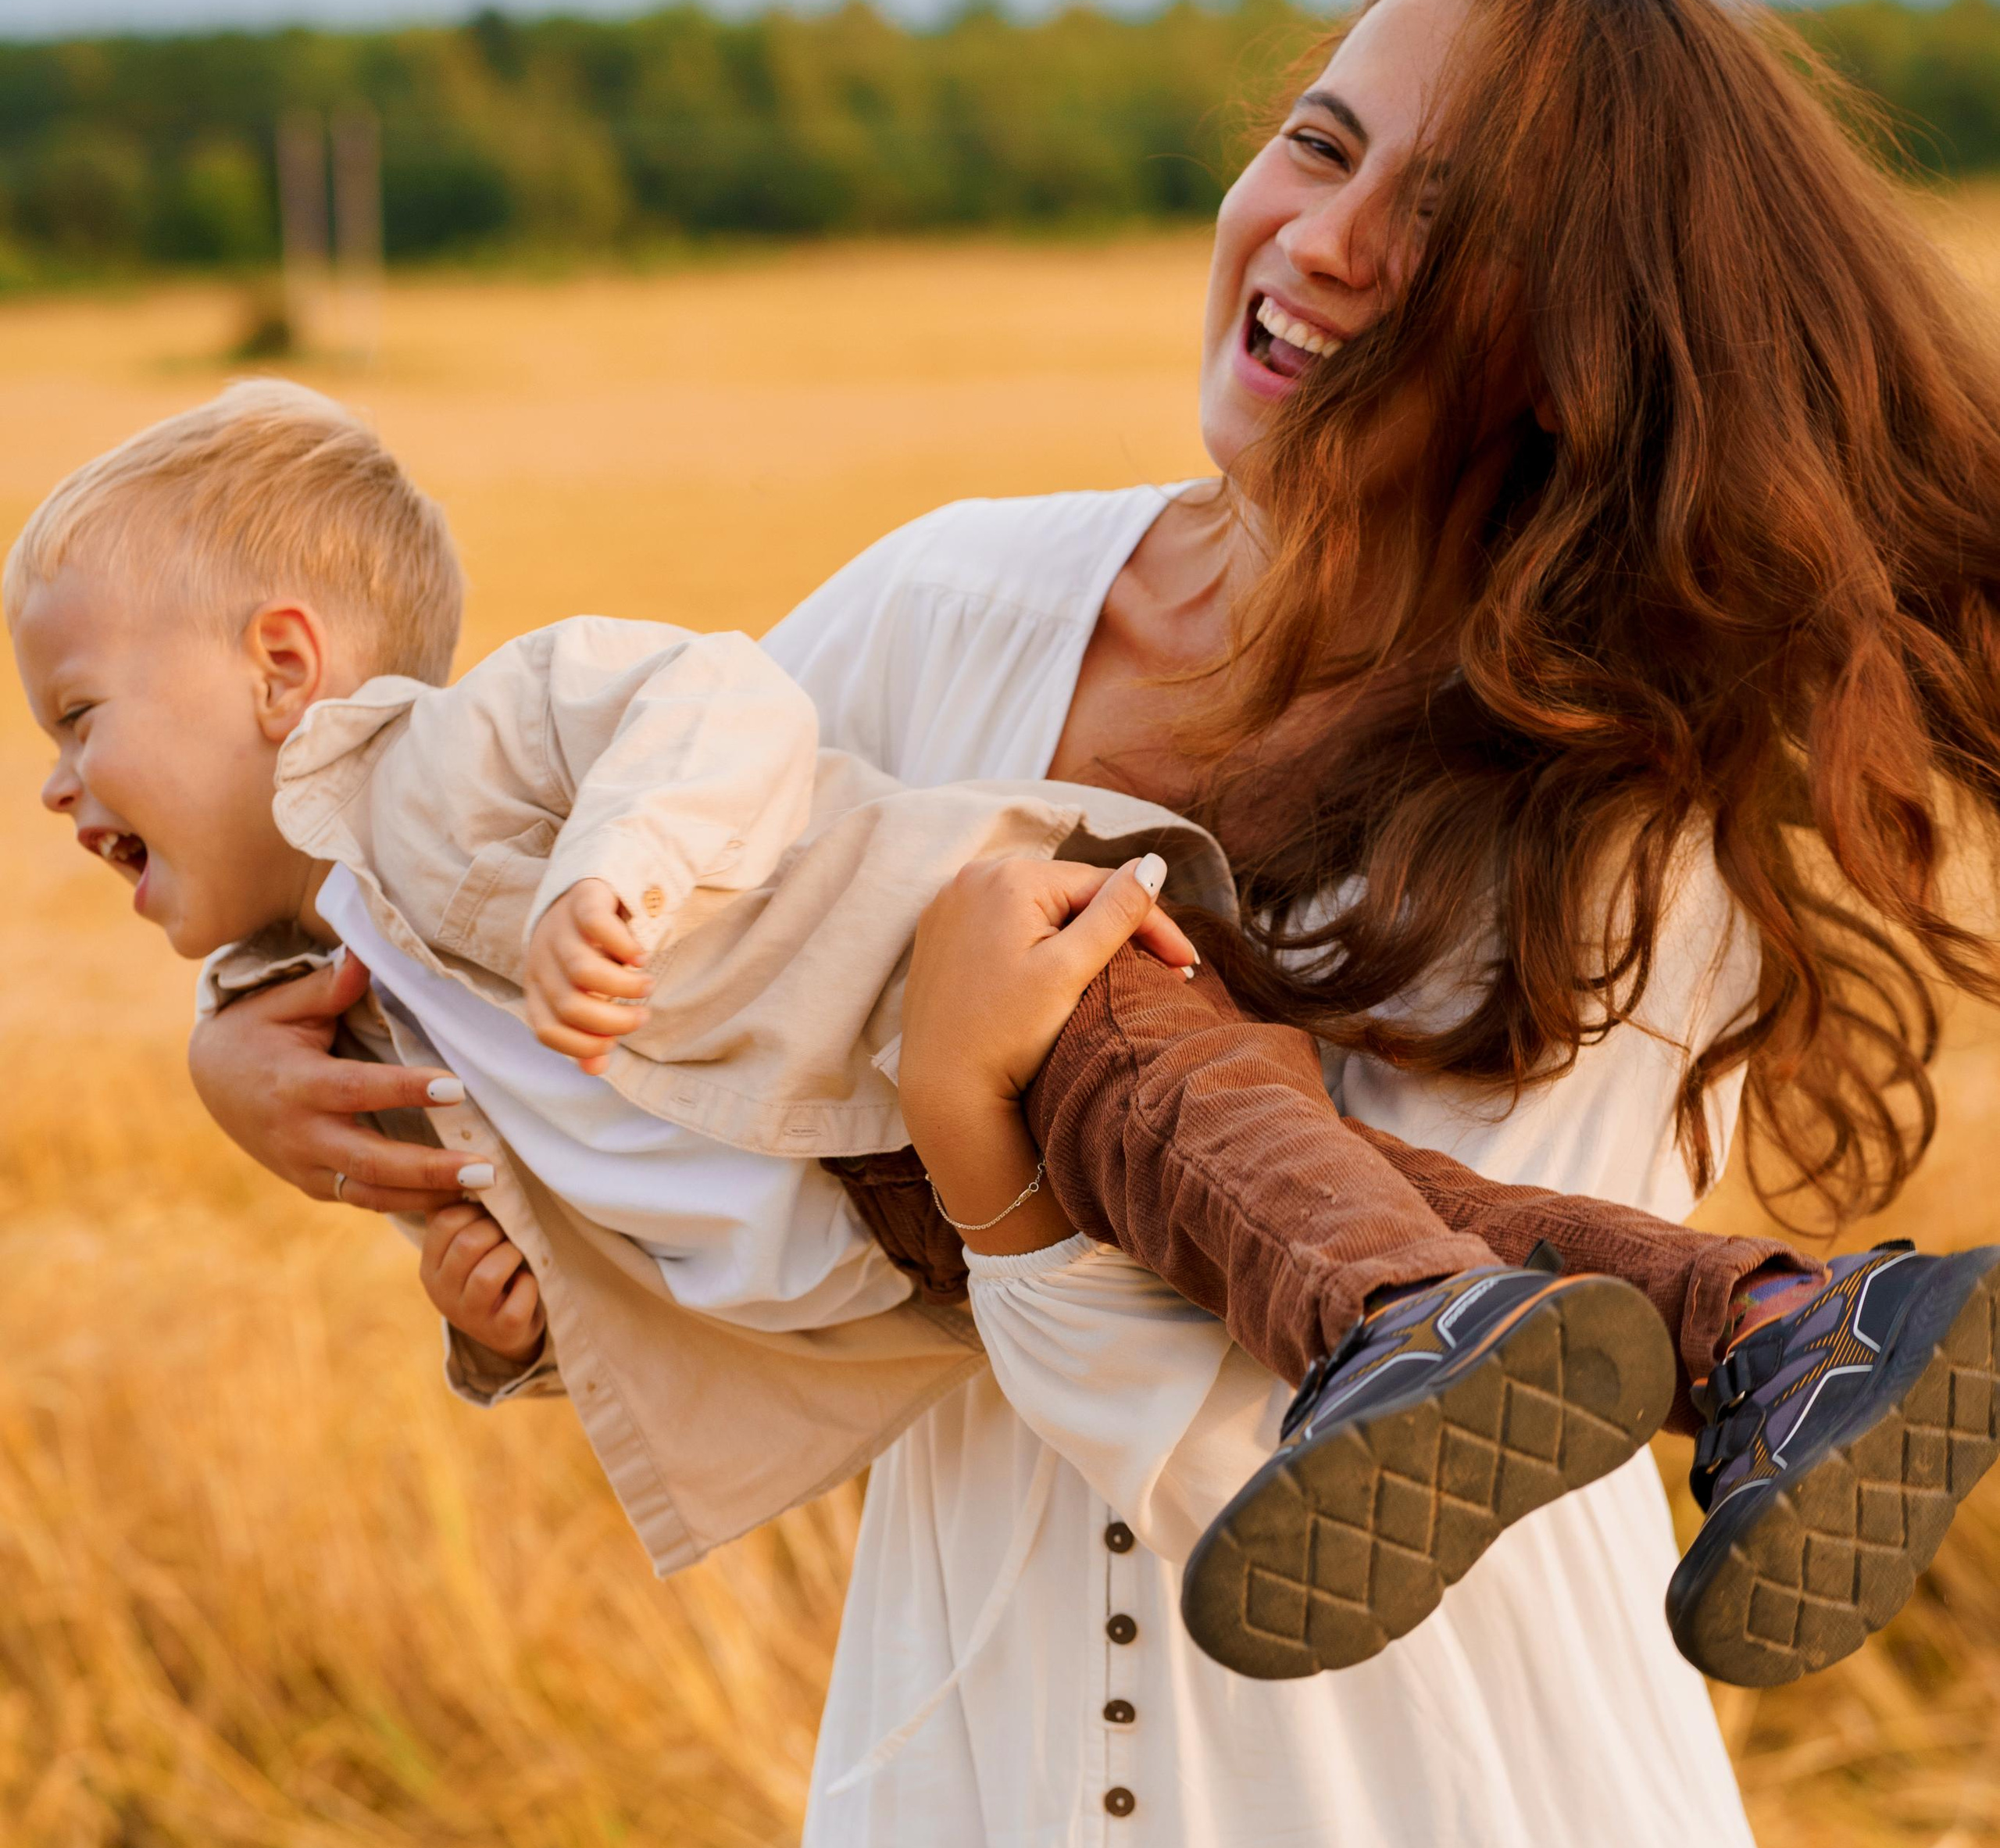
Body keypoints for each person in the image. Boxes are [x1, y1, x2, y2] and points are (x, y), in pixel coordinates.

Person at [177, 0, 2000, 1848]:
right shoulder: (948, 610)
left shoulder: (1624, 791)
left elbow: (1305, 1446)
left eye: (1447, 220)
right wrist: (300, 1080)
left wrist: (982, 1155)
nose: (1329, 238)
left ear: (1588, 342)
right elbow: (602, 1029)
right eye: (1318, 142)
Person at [12, 388, 1991, 1690]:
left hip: (996, 968)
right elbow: (591, 1192)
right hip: (908, 1188)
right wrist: (499, 1326)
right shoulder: (334, 993)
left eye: (80, 717)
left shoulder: (493, 744)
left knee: (1317, 1210)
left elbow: (723, 706)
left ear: (283, 666)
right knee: (1396, 1196)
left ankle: (1402, 1334)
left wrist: (618, 870)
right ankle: (1786, 1339)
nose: (55, 787)